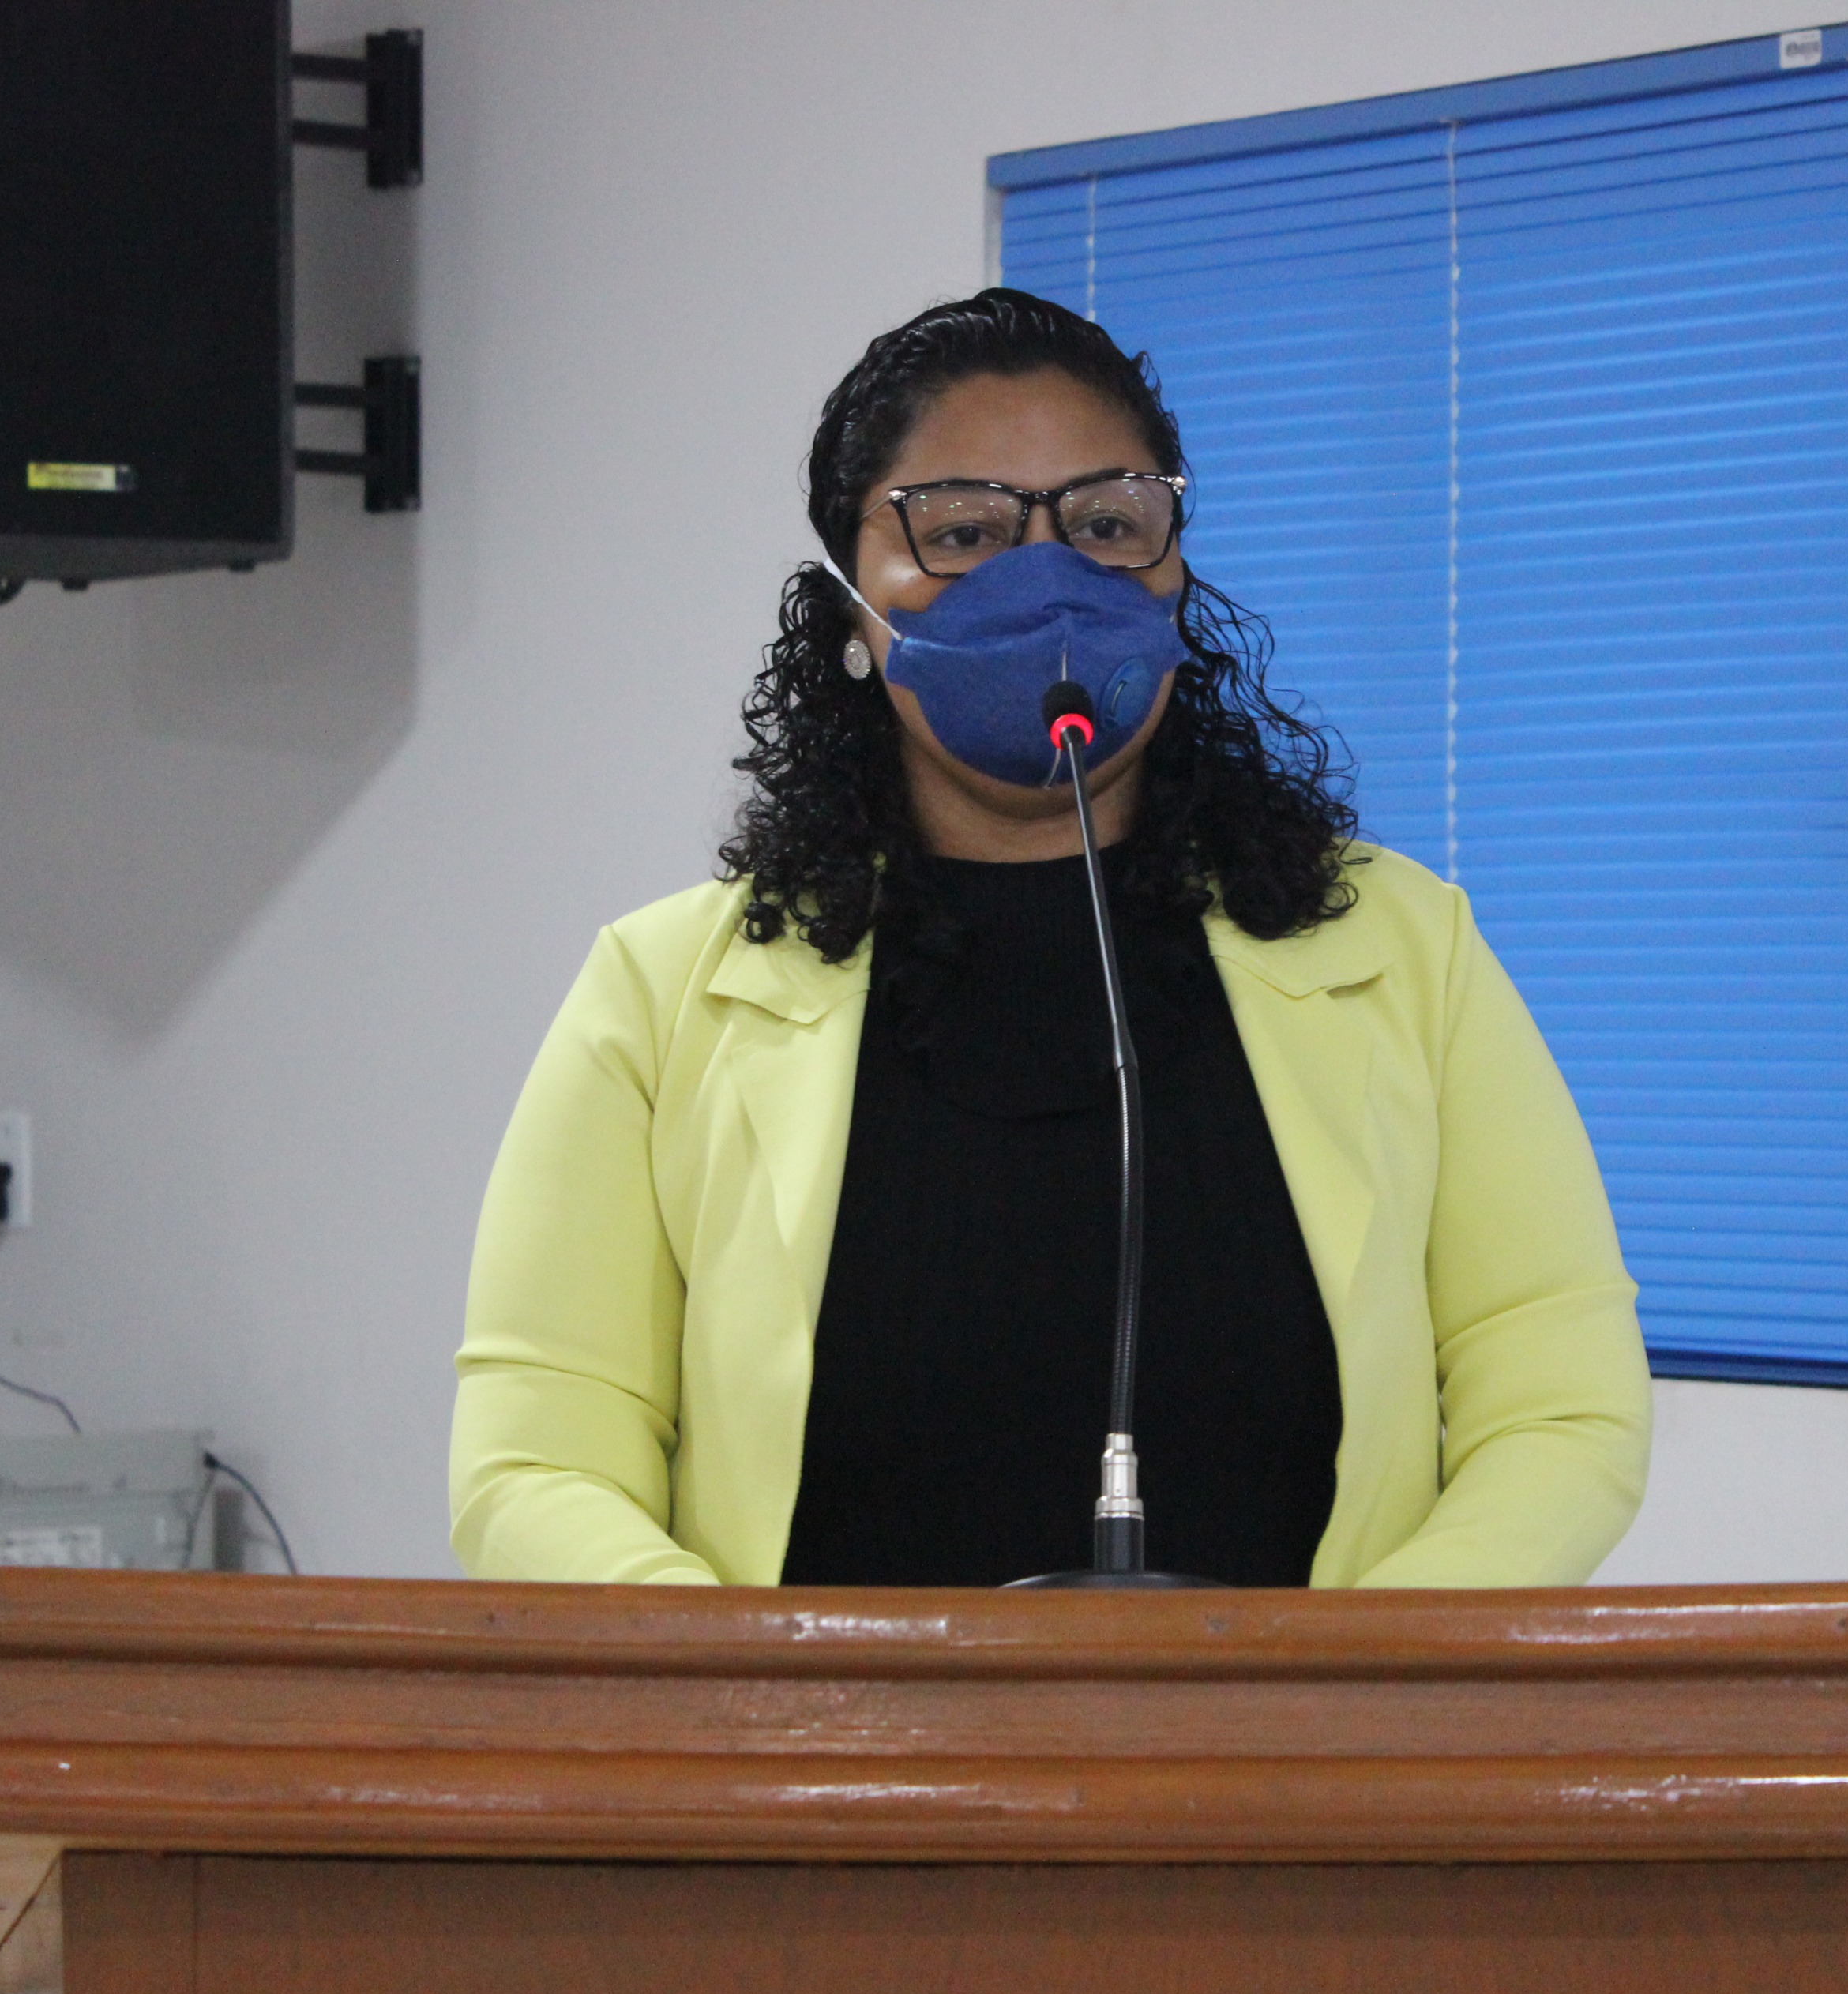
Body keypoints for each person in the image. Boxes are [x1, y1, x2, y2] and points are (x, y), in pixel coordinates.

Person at [449, 289, 1648, 1589]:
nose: (1046, 577)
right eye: (964, 531)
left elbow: (1560, 1409)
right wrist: (757, 1686)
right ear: (850, 609)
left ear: (1176, 581)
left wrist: (1344, 1680)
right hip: (813, 1723)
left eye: (1106, 524)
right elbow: (536, 1465)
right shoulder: (658, 996)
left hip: (1301, 1724)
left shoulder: (1408, 952)